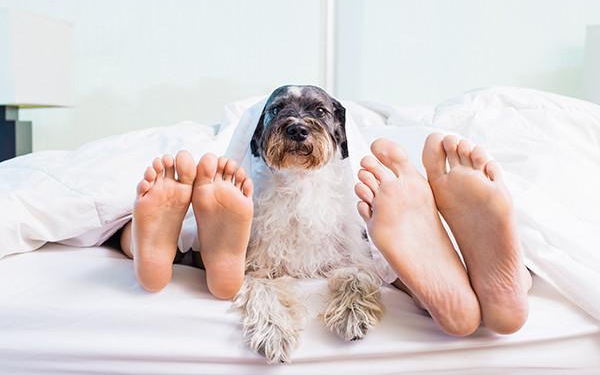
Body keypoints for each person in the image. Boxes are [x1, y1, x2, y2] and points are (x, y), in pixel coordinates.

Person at [118, 134, 531, 336]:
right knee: (190, 192)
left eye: (314, 114)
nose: (298, 126)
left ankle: (162, 246)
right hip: (234, 183)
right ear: (256, 138)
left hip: (221, 186)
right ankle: (484, 276)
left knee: (126, 209)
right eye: (283, 115)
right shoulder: (236, 161)